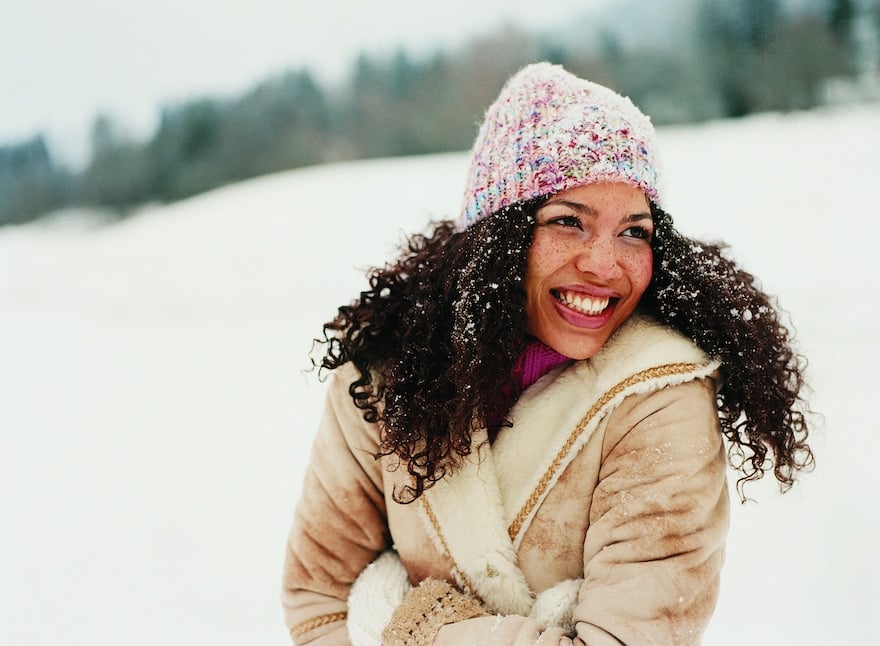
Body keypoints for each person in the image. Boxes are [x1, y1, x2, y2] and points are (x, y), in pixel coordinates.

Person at [281, 63, 814, 645]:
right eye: (568, 222)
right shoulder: (384, 378)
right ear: (497, 240)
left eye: (634, 231)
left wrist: (419, 629)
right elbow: (318, 601)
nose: (606, 266)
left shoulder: (659, 396)